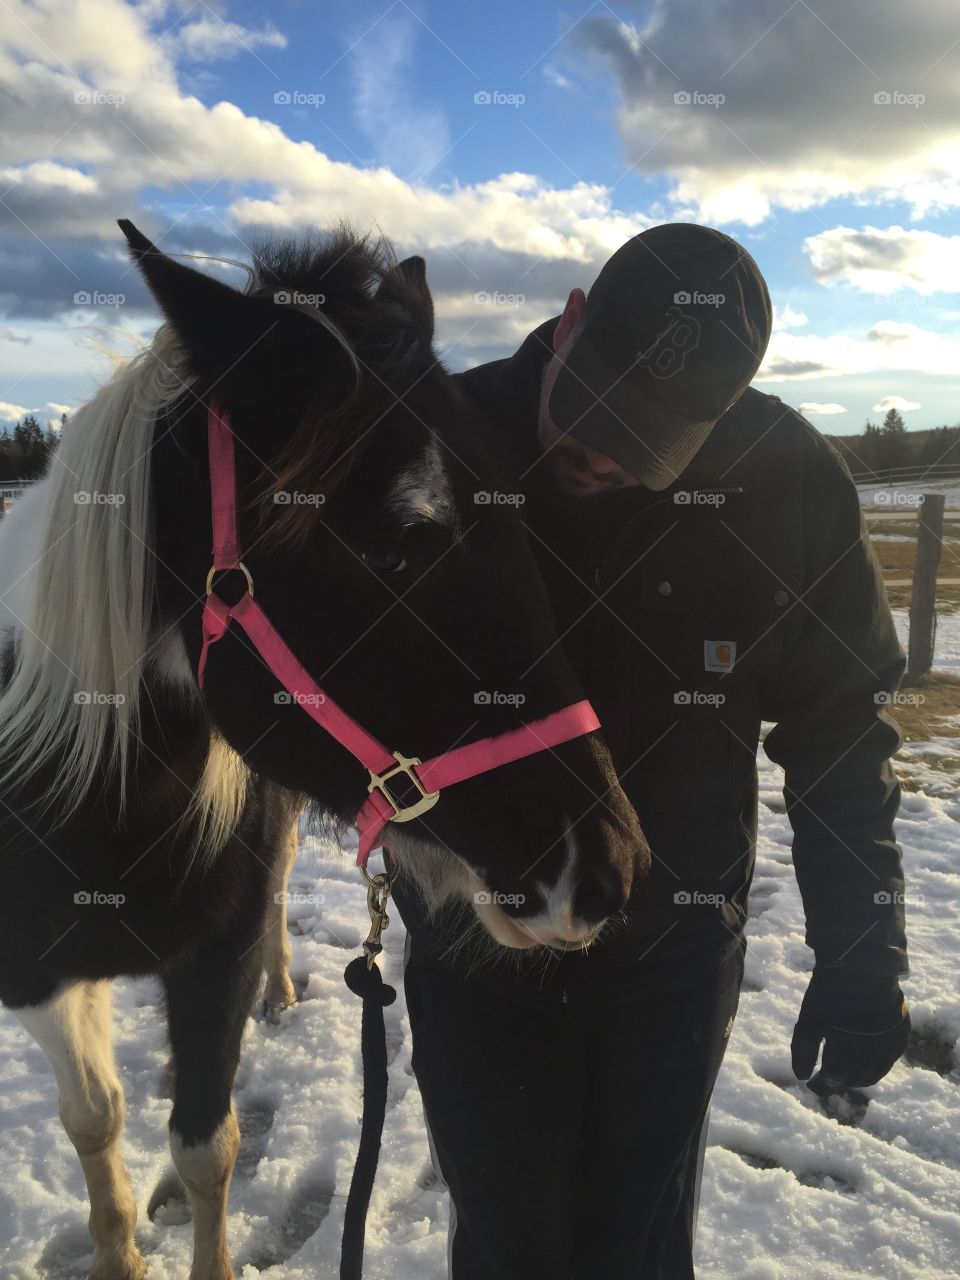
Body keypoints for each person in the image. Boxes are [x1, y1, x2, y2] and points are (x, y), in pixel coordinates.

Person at [390, 223, 911, 1279]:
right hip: (481, 943)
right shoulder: (440, 439)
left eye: (647, 441)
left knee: (640, 1243)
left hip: (671, 952)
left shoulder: (788, 484)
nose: (601, 454)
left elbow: (839, 732)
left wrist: (863, 949)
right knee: (506, 1244)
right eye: (590, 411)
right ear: (571, 317)